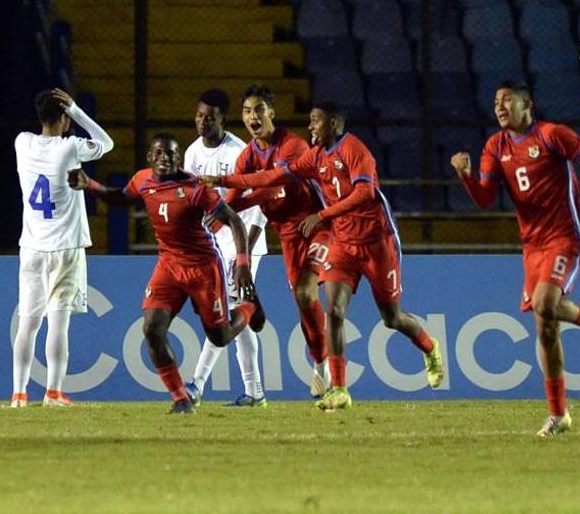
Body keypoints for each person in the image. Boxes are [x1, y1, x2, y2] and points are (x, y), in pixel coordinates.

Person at [206, 102, 444, 412]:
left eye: (315, 121)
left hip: (376, 242)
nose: (311, 127)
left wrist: (323, 214)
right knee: (334, 310)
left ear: (333, 123)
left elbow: (364, 194)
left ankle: (430, 347)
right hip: (343, 243)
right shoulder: (314, 157)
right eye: (310, 121)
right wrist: (222, 182)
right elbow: (271, 178)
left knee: (391, 318)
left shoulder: (355, 151)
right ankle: (340, 388)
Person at [451, 81, 580, 438]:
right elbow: (486, 199)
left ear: (527, 104)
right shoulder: (495, 146)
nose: (500, 106)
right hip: (532, 246)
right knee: (545, 325)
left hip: (565, 238)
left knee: (544, 302)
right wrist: (466, 177)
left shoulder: (553, 136)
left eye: (507, 100)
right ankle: (559, 412)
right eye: (495, 101)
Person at [69, 134, 264, 414]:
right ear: (150, 156)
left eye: (171, 154)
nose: (165, 158)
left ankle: (248, 308)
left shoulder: (194, 188)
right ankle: (181, 399)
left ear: (178, 158)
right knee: (151, 329)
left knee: (219, 337)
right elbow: (122, 198)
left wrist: (243, 262)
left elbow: (233, 221)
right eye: (159, 153)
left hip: (203, 268)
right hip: (169, 266)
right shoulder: (142, 180)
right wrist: (91, 185)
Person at [223, 84, 331, 399]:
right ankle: (321, 361)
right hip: (288, 236)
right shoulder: (246, 157)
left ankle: (331, 369)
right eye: (246, 111)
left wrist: (232, 200)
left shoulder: (292, 146)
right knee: (304, 300)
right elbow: (231, 203)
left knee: (310, 292)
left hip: (318, 226)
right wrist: (213, 214)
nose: (252, 116)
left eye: (259, 109)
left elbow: (274, 184)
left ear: (272, 112)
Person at [11, 88, 114, 408]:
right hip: (64, 248)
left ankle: (18, 394)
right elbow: (106, 143)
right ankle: (53, 393)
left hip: (31, 247)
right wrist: (78, 110)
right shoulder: (70, 147)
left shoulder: (22, 143)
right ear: (65, 117)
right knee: (58, 322)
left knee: (28, 323)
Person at [182, 89, 270, 407]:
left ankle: (196, 384)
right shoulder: (192, 153)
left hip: (244, 242)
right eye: (199, 116)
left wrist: (244, 256)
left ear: (223, 120)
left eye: (210, 117)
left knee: (226, 314)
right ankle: (255, 392)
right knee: (239, 322)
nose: (203, 122)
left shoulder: (239, 153)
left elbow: (260, 204)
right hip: (216, 247)